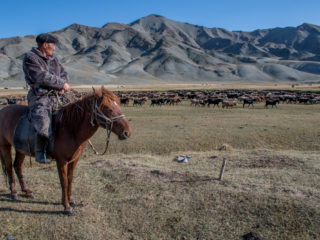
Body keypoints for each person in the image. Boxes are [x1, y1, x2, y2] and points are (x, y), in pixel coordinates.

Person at [23, 33, 71, 164]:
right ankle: (40, 151)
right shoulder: (30, 58)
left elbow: (63, 73)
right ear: (45, 45)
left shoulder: (53, 59)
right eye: (53, 45)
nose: (54, 48)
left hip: (57, 95)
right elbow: (40, 76)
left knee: (76, 110)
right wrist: (61, 84)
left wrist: (63, 85)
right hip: (40, 96)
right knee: (43, 121)